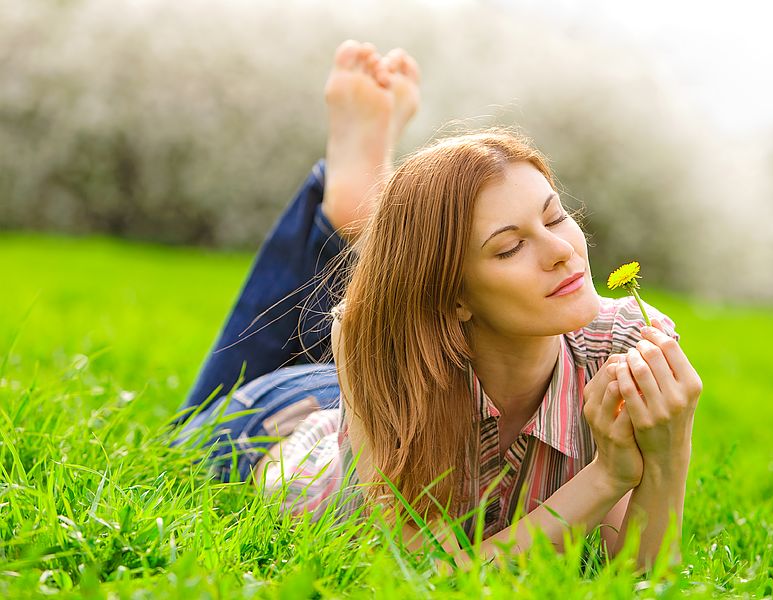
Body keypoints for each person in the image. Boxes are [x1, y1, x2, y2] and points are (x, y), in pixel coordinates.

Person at [172, 40, 703, 573]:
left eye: (556, 216)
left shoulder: (628, 352)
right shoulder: (383, 359)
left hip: (409, 367)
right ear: (451, 294)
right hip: (284, 425)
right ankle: (344, 211)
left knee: (366, 327)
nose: (563, 251)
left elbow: (635, 572)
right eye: (511, 246)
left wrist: (669, 448)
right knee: (186, 433)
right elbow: (424, 576)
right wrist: (605, 477)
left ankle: (355, 214)